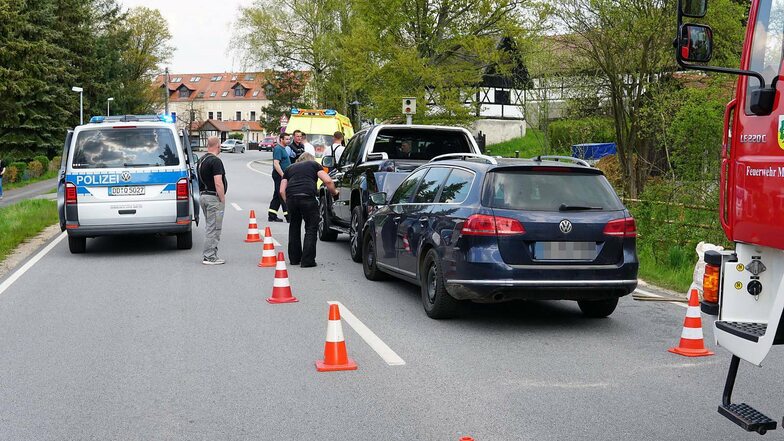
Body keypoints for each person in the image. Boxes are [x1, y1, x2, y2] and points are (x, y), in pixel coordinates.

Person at [279, 152, 338, 267]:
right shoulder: (314, 165)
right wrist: (334, 192)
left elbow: (281, 190)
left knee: (294, 227)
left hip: (291, 199)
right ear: (311, 159)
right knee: (311, 228)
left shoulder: (289, 168)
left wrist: (289, 202)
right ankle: (307, 261)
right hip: (307, 197)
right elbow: (328, 181)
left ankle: (294, 259)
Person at [198, 136, 228, 265]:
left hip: (203, 196)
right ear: (217, 145)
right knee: (214, 228)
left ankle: (211, 254)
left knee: (210, 226)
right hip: (213, 198)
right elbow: (218, 182)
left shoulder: (201, 160)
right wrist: (222, 199)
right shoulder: (215, 161)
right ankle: (210, 256)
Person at [269, 132, 291, 222]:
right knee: (282, 194)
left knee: (277, 195)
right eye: (286, 139)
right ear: (281, 139)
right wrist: (282, 175)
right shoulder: (278, 149)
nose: (288, 141)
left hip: (282, 175)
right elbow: (276, 163)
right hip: (279, 175)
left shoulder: (283, 148)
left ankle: (272, 215)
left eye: (289, 139)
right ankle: (288, 216)